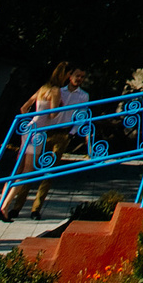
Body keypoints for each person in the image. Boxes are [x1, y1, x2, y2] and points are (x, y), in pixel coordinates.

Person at [0, 63, 71, 221]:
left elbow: (24, 108)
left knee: (18, 169)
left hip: (29, 128)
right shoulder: (56, 91)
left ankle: (1, 204)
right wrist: (61, 108)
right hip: (38, 132)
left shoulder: (43, 88)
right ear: (65, 75)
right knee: (27, 171)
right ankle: (5, 206)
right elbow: (52, 115)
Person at [32, 66, 94, 218]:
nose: (80, 79)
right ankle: (17, 205)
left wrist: (72, 133)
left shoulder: (83, 96)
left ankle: (36, 208)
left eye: (82, 77)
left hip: (63, 133)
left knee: (50, 171)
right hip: (47, 131)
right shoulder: (58, 91)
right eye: (77, 75)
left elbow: (82, 115)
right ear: (69, 76)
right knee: (32, 167)